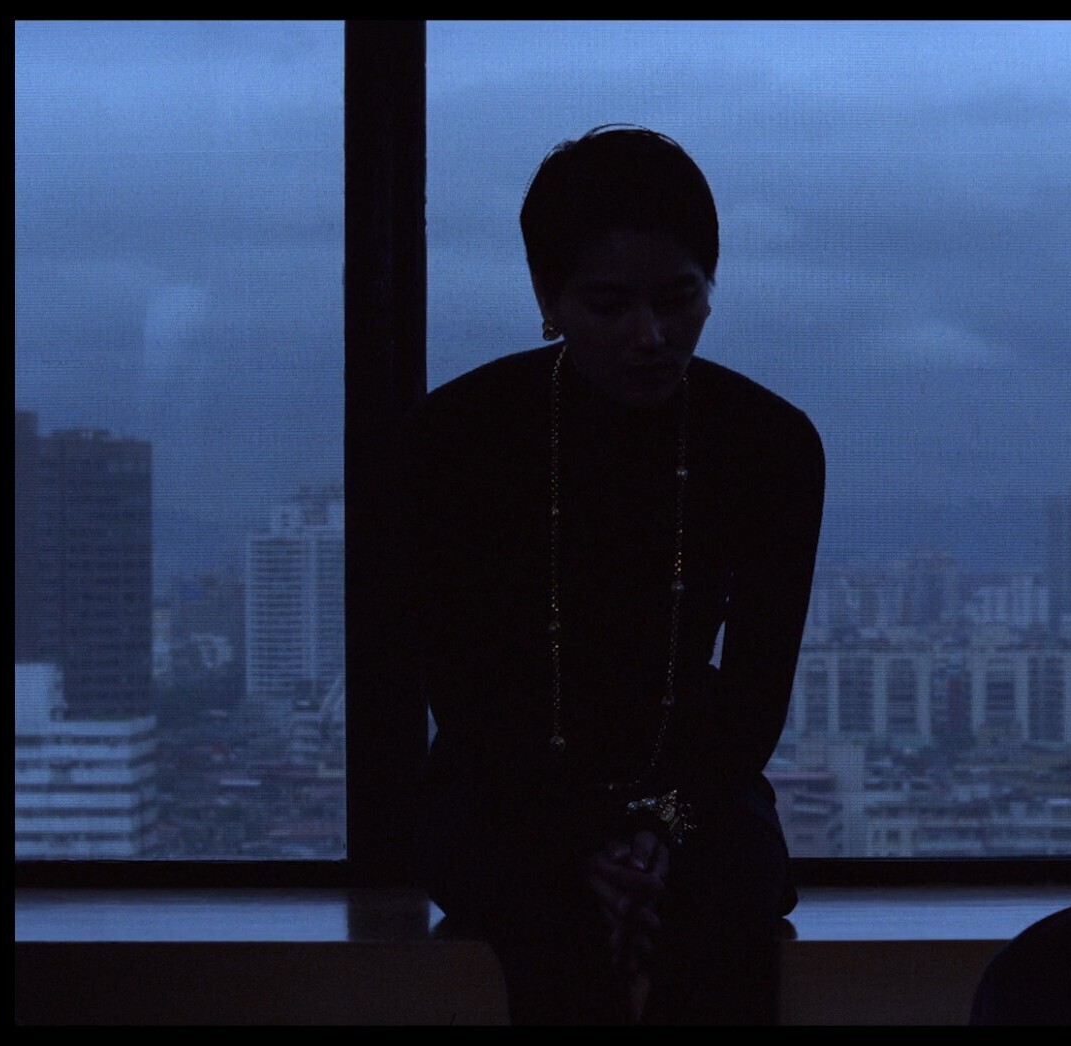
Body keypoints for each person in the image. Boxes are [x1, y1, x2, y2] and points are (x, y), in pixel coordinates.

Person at [398, 125, 824, 1025]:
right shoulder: (459, 438)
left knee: (722, 909)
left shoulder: (769, 446)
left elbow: (752, 703)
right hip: (501, 791)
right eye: (608, 305)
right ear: (546, 299)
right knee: (551, 918)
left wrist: (658, 827)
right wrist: (588, 840)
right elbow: (464, 692)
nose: (650, 337)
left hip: (699, 790)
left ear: (711, 287)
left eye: (679, 299)